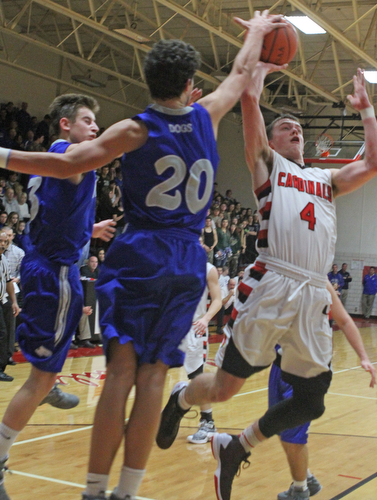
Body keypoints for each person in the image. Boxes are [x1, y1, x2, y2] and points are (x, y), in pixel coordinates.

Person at [0, 13, 287, 500]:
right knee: (156, 376)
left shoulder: (134, 129)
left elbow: (66, 162)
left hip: (140, 253)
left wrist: (4, 155)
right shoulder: (206, 115)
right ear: (190, 85)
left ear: (148, 84)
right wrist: (257, 35)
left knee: (121, 374)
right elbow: (240, 76)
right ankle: (128, 490)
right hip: (185, 259)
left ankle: (95, 489)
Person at [156, 65, 377, 500]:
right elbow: (250, 111)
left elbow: (375, 163)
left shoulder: (326, 180)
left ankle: (236, 446)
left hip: (314, 289)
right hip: (273, 281)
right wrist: (255, 74)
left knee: (312, 401)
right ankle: (184, 397)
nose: (294, 128)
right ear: (272, 140)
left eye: (299, 126)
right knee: (225, 388)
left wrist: (368, 111)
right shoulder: (268, 165)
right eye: (284, 126)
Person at [0, 94, 116, 500]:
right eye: (87, 120)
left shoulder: (59, 160)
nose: (95, 129)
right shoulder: (68, 154)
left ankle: (45, 377)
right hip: (53, 271)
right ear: (66, 125)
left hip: (52, 263)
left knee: (46, 364)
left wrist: (91, 230)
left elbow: (56, 217)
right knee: (39, 376)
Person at [272, 283, 376, 500]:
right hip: (280, 364)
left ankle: (300, 490)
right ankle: (306, 478)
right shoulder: (276, 274)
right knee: (280, 426)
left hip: (309, 368)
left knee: (294, 433)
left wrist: (363, 356)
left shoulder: (320, 282)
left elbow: (345, 320)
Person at [181, 260, 222, 444]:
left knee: (196, 377)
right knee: (151, 373)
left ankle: (208, 422)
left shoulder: (208, 269)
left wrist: (206, 319)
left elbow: (218, 300)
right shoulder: (169, 261)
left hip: (193, 327)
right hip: (170, 325)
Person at [0, 231, 19, 383]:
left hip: (3, 300)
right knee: (2, 333)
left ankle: (3, 363)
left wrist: (14, 302)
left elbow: (8, 282)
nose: (3, 244)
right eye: (0, 241)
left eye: (5, 242)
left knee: (6, 333)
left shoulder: (4, 259)